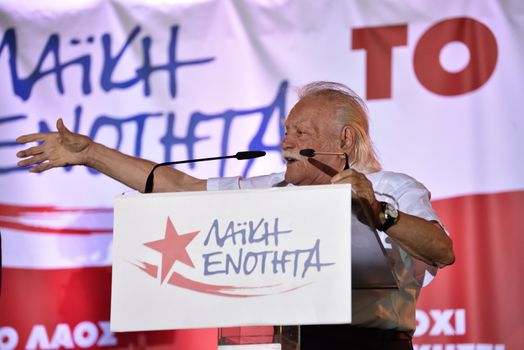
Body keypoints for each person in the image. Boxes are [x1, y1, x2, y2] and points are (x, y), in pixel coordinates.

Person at [16, 81, 455, 350]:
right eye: (285, 130)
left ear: (344, 139)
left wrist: (379, 212)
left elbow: (442, 250)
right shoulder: (271, 193)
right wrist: (91, 154)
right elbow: (181, 189)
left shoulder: (392, 188)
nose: (286, 142)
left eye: (300, 132)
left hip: (368, 346)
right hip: (282, 344)